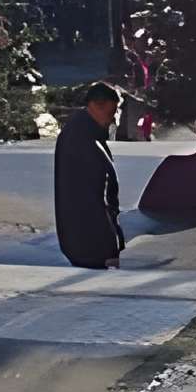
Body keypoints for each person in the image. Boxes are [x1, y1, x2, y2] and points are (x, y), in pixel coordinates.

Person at [54, 81, 126, 268]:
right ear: (95, 105)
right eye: (110, 113)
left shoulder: (84, 133)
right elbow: (94, 197)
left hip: (84, 241)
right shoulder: (82, 138)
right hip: (90, 244)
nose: (112, 120)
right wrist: (109, 246)